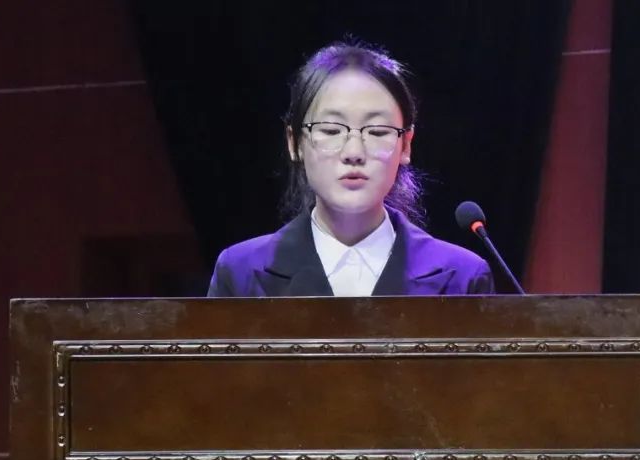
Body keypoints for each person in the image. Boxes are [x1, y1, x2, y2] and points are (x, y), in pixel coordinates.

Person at [206, 41, 495, 297]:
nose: (354, 153)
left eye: (377, 131)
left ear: (406, 145)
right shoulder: (240, 273)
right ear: (294, 143)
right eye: (331, 130)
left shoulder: (463, 278)